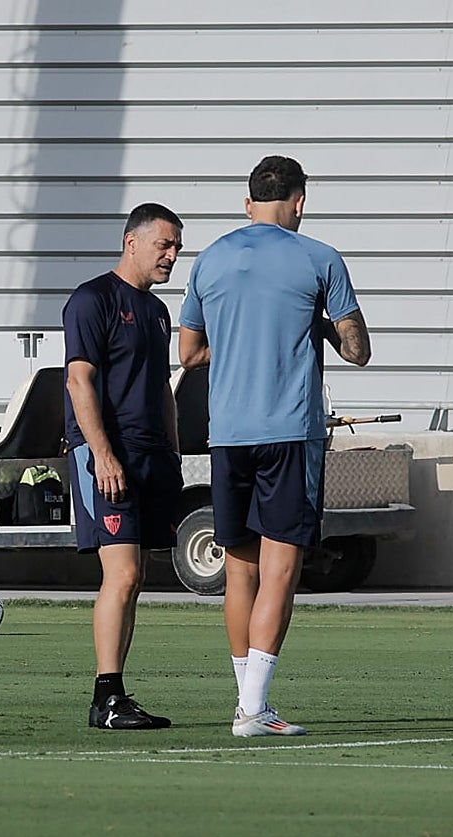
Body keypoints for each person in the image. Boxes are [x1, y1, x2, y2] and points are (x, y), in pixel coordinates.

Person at [177, 156, 371, 737]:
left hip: (227, 434)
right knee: (281, 570)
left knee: (239, 570)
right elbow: (358, 349)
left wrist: (237, 346)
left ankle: (249, 703)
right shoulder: (319, 258)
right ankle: (254, 710)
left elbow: (189, 353)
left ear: (247, 203)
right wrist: (318, 327)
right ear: (300, 201)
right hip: (289, 432)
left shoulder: (209, 260)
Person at [63, 202, 185, 730]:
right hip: (105, 456)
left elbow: (161, 389)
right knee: (124, 573)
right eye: (164, 244)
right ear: (131, 242)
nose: (172, 256)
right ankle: (105, 698)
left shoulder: (157, 313)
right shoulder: (93, 300)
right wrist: (103, 455)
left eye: (177, 246)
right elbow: (78, 381)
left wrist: (175, 453)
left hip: (150, 456)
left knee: (136, 579)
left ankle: (115, 697)